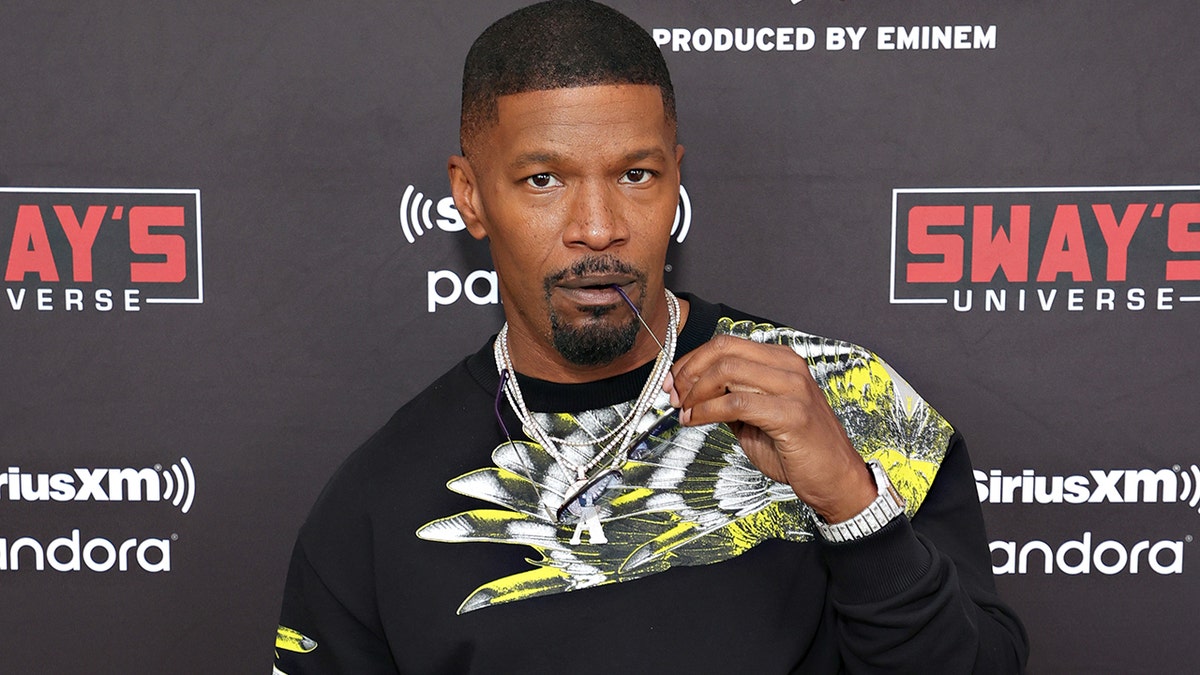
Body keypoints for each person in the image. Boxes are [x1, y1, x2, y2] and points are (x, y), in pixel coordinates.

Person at [274, 1, 1029, 672]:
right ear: (470, 196)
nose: (598, 228)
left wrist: (852, 504)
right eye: (544, 180)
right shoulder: (377, 502)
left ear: (675, 179)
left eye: (635, 175)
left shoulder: (845, 399)